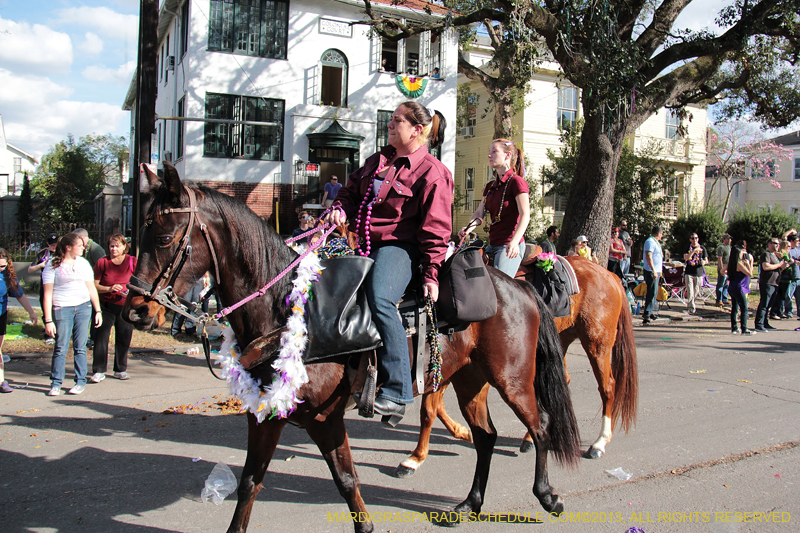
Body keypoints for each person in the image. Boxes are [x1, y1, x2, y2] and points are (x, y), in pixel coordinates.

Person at [324, 102, 451, 423]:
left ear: (417, 130)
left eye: (397, 121)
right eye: (391, 120)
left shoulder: (432, 172)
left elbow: (436, 228)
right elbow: (349, 193)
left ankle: (397, 389)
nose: (390, 125)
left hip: (400, 249)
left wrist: (432, 273)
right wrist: (340, 207)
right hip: (363, 246)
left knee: (380, 298)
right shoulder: (378, 161)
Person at [459, 138, 530, 278]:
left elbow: (525, 215)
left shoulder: (517, 182)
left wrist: (514, 242)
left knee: (498, 286)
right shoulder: (491, 186)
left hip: (508, 246)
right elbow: (479, 212)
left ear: (507, 155)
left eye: (494, 151)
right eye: (489, 152)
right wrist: (468, 229)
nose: (489, 155)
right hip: (492, 244)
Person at [42, 233, 103, 396]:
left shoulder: (83, 264)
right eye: (80, 245)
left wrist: (97, 310)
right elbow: (47, 294)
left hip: (83, 307)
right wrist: (48, 320)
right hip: (62, 308)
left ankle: (80, 381)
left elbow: (91, 288)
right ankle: (56, 383)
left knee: (80, 346)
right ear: (69, 247)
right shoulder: (52, 265)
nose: (83, 248)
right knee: (61, 346)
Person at [91, 233, 137, 383]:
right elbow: (95, 285)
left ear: (124, 246)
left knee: (124, 337)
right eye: (111, 246)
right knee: (101, 338)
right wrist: (109, 288)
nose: (114, 249)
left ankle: (120, 369)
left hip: (126, 307)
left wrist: (131, 291)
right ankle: (99, 370)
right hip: (106, 306)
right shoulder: (102, 262)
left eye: (117, 246)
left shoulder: (132, 261)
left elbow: (139, 281)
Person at [0, 249, 39, 392]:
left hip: (1, 315)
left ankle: (1, 381)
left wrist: (31, 312)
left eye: (3, 266)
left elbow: (19, 295)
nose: (1, 269)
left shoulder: (7, 276)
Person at [28, 232, 59, 345]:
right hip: (45, 286)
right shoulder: (43, 254)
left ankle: (57, 333)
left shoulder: (62, 253)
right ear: (47, 244)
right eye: (52, 245)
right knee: (46, 310)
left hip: (58, 286)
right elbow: (30, 269)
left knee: (57, 310)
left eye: (56, 244)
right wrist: (40, 265)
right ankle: (49, 334)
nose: (54, 247)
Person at [754, 238, 787, 333]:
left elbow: (776, 268)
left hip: (775, 282)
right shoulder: (766, 254)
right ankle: (759, 324)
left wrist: (782, 267)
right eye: (775, 243)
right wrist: (779, 265)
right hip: (767, 282)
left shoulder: (775, 256)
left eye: (778, 244)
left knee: (769, 305)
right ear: (769, 244)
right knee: (764, 304)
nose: (777, 245)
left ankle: (765, 323)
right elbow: (766, 266)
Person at [728, 240, 754, 335]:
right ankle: (744, 328)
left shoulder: (732, 263)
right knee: (744, 308)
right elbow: (750, 273)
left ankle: (734, 327)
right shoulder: (739, 264)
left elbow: (723, 271)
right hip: (740, 287)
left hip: (733, 286)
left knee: (735, 307)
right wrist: (749, 263)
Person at [642, 226, 664, 325]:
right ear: (658, 233)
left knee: (654, 292)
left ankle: (650, 311)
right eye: (661, 233)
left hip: (657, 270)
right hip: (651, 270)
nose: (662, 236)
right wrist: (653, 270)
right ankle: (646, 313)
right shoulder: (650, 242)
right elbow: (649, 256)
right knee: (651, 291)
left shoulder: (656, 242)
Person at [682, 233, 708, 314]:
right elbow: (686, 258)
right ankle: (691, 308)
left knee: (696, 290)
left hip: (698, 272)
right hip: (689, 272)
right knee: (690, 291)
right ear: (690, 239)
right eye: (693, 238)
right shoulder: (688, 248)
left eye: (696, 238)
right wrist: (693, 251)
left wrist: (704, 262)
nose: (695, 240)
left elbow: (706, 260)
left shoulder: (702, 248)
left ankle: (692, 304)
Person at [770, 239, 794, 320]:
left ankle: (779, 312)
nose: (790, 248)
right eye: (789, 246)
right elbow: (784, 264)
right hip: (784, 277)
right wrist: (791, 262)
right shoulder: (783, 253)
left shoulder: (784, 253)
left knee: (781, 296)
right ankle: (775, 312)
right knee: (780, 296)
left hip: (785, 278)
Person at [715, 233, 732, 308]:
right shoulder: (721, 247)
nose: (729, 240)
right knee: (720, 284)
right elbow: (720, 258)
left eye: (730, 239)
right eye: (728, 239)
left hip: (728, 269)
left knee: (726, 285)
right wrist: (722, 269)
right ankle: (719, 300)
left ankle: (724, 298)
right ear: (724, 239)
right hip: (723, 268)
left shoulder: (729, 247)